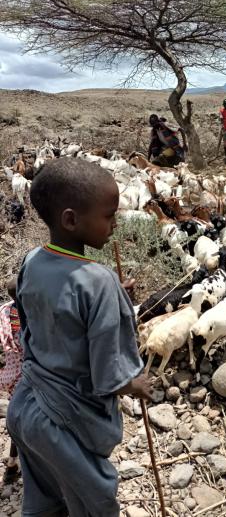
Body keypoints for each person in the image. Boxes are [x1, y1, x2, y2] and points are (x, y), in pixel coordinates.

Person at [7, 157, 155, 516]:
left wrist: (100, 297)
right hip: (64, 424)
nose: (115, 224)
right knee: (96, 504)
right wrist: (136, 385)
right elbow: (111, 375)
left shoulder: (31, 260)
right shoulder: (100, 281)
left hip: (25, 408)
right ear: (71, 219)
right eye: (108, 216)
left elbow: (20, 293)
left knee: (44, 500)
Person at [0, 277, 22, 484]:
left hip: (10, 374)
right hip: (29, 373)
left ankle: (12, 465)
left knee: (16, 417)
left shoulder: (5, 310)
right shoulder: (26, 313)